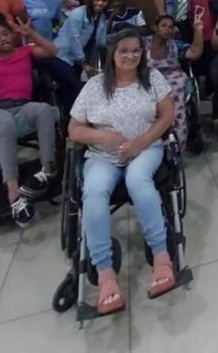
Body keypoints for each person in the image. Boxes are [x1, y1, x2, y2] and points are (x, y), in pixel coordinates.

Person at [68, 29, 178, 315]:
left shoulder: (152, 78)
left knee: (138, 181)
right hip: (104, 155)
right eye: (124, 51)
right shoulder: (94, 86)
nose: (130, 56)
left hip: (146, 149)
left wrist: (138, 144)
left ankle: (162, 257)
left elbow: (167, 116)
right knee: (93, 192)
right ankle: (105, 275)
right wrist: (107, 139)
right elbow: (74, 129)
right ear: (112, 54)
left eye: (136, 51)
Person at [0, 14, 58, 226]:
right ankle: (14, 195)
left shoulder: (24, 52)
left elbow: (52, 51)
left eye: (5, 34)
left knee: (43, 109)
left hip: (23, 105)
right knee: (6, 125)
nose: (3, 39)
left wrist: (30, 33)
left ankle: (46, 170)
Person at [145, 13, 204, 151]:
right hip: (149, 77)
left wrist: (198, 30)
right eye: (164, 26)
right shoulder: (143, 43)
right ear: (155, 28)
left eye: (171, 27)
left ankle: (176, 146)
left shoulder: (175, 45)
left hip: (172, 77)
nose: (167, 29)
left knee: (175, 99)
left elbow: (195, 52)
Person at [55, 0, 111, 78]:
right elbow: (74, 39)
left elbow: (101, 43)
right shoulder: (78, 13)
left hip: (80, 60)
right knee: (72, 87)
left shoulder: (102, 17)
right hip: (64, 56)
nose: (100, 3)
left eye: (104, 1)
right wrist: (84, 63)